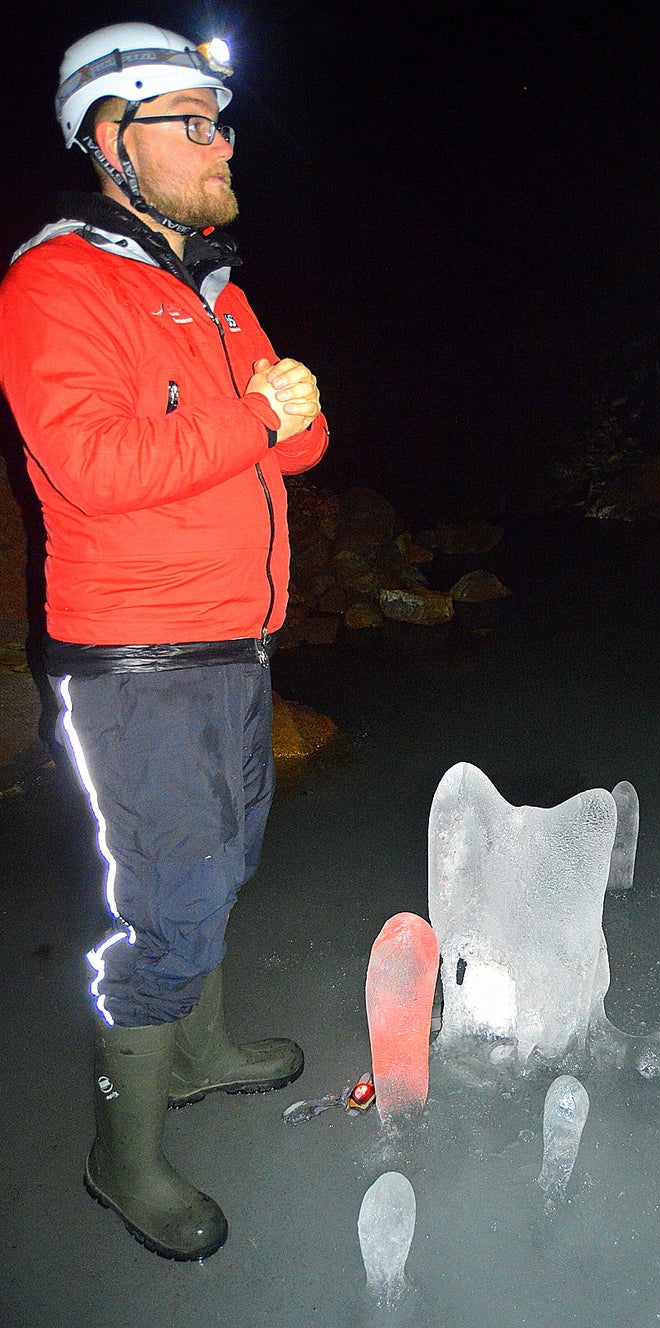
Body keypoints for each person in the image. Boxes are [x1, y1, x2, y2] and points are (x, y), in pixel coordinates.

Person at [0, 23, 329, 1259]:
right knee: (171, 900)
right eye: (188, 120)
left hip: (233, 637)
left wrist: (276, 407)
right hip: (136, 661)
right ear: (109, 141)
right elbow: (90, 468)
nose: (219, 139)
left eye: (221, 119)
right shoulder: (57, 283)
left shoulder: (212, 283)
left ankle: (198, 1054)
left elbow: (294, 446)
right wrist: (256, 410)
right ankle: (117, 1155)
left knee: (224, 865)